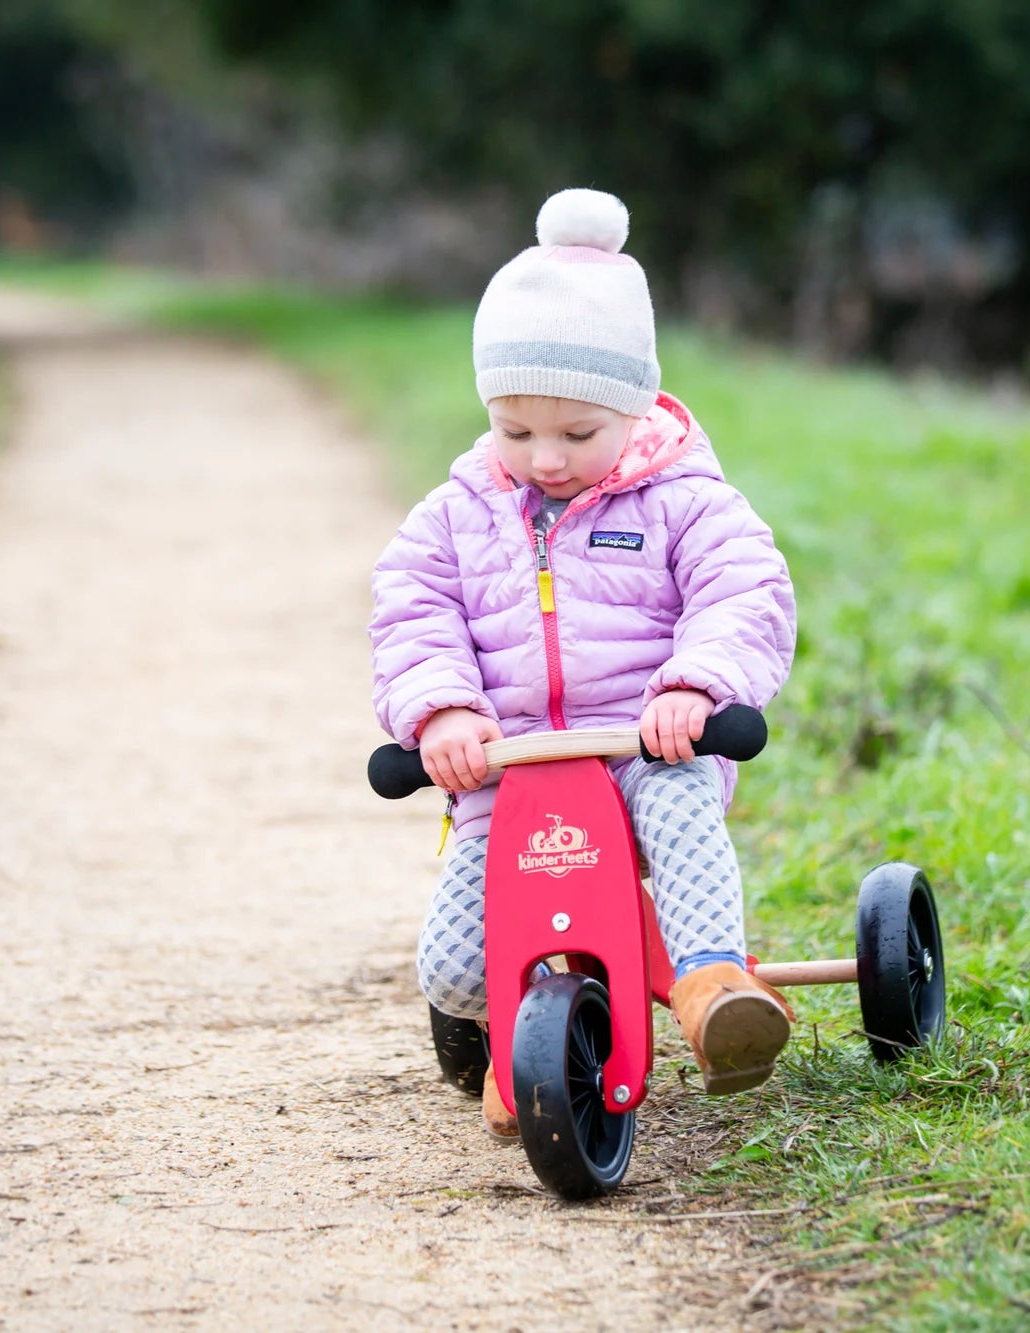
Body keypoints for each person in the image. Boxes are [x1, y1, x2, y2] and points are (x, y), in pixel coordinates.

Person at [370, 188, 799, 1139]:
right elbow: (411, 607)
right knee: (451, 967)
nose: (545, 458)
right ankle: (529, 1026)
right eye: (516, 431)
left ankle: (710, 986)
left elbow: (744, 590)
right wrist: (440, 710)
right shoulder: (461, 511)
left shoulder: (683, 500)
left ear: (634, 408)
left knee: (680, 812)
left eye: (576, 433)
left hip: (644, 746)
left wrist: (695, 687)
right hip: (511, 768)